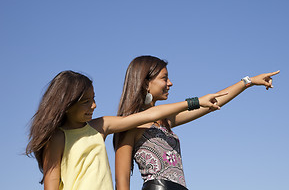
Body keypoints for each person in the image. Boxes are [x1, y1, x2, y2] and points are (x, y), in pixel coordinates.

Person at [26, 70, 225, 190]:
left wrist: (195, 102)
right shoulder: (58, 138)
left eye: (93, 99)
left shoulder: (100, 126)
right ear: (66, 104)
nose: (94, 106)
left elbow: (149, 115)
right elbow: (50, 185)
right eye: (86, 102)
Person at [113, 56, 280, 190]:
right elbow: (122, 184)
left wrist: (247, 82)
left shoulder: (164, 121)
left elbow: (213, 103)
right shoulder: (128, 126)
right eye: (165, 78)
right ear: (146, 83)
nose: (170, 83)